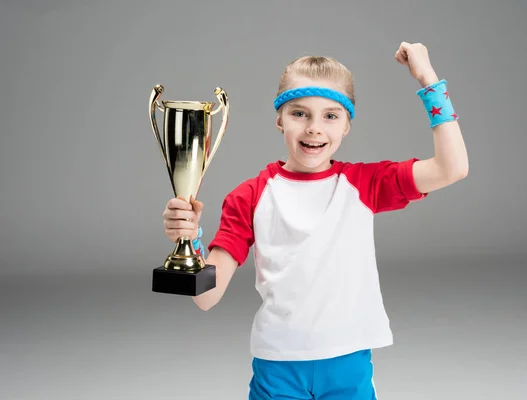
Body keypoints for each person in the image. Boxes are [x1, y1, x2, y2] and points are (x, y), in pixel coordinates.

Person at [162, 42, 469, 399]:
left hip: (348, 363)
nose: (314, 128)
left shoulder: (364, 184)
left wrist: (427, 79)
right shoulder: (249, 196)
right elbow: (206, 299)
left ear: (347, 125)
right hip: (277, 367)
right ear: (279, 118)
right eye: (299, 113)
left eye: (330, 115)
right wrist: (190, 240)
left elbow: (453, 168)